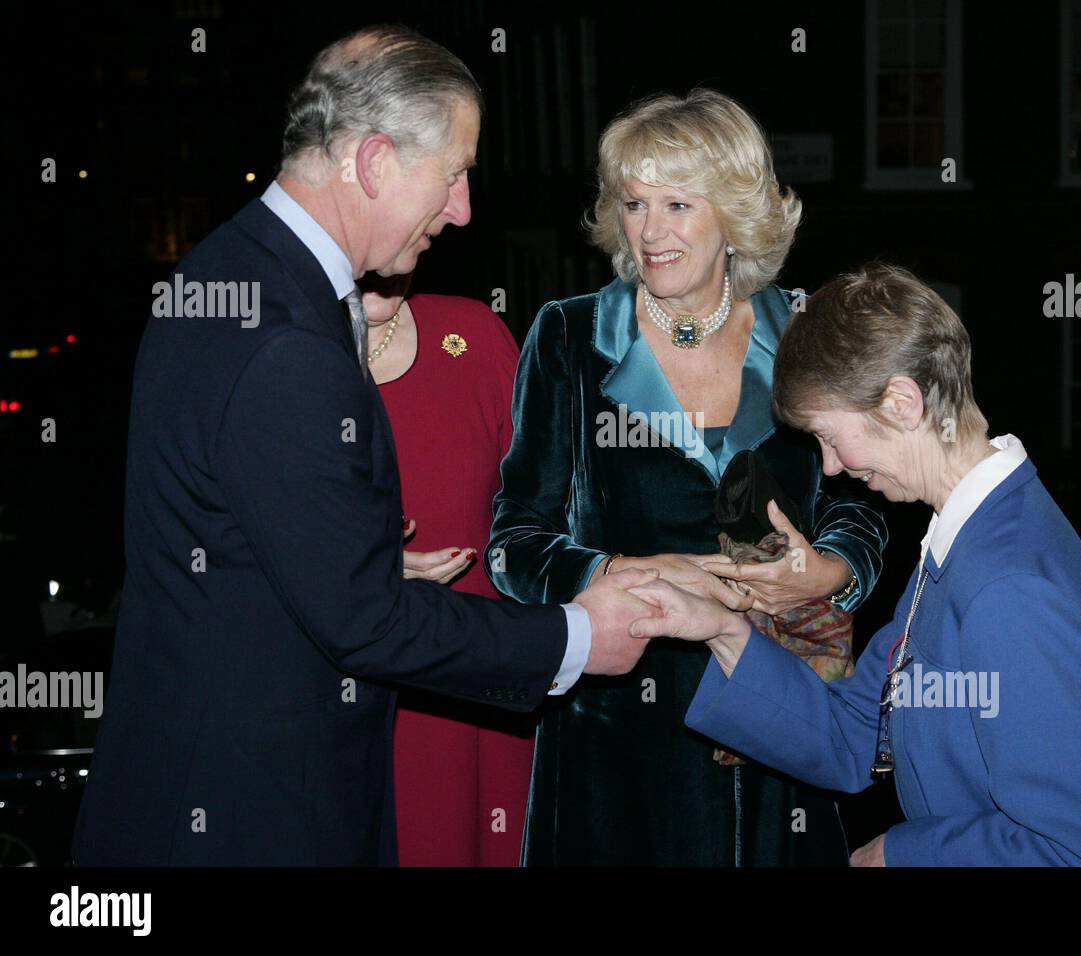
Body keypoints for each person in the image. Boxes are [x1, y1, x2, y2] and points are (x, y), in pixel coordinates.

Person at [72, 25, 656, 867]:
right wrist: (575, 637)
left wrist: (357, 560)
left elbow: (244, 537)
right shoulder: (288, 345)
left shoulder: (223, 273)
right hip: (254, 817)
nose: (462, 209)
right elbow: (366, 625)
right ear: (375, 160)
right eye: (454, 173)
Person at [626, 262, 1081, 866]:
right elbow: (855, 731)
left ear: (902, 403)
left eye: (828, 435)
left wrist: (903, 855)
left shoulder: (1008, 588)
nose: (828, 466)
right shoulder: (964, 537)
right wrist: (721, 629)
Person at [488, 90, 887, 865]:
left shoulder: (805, 328)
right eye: (634, 204)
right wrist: (622, 570)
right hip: (621, 733)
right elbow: (514, 541)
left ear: (734, 214)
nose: (651, 231)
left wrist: (831, 571)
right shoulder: (569, 336)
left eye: (678, 203)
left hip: (780, 705)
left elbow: (860, 501)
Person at [360, 273, 536, 866]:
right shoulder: (283, 354)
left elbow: (545, 512)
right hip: (353, 692)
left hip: (483, 684)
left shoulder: (472, 334)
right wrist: (351, 570)